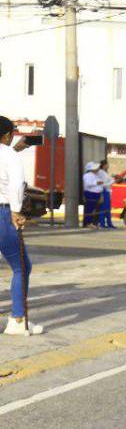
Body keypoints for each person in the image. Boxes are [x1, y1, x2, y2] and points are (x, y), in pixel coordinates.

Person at [0, 117, 44, 335]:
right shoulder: (9, 155)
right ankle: (17, 320)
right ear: (8, 135)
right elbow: (16, 184)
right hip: (3, 213)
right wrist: (17, 211)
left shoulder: (9, 152)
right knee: (21, 266)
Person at [82, 161, 102, 228]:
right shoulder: (87, 175)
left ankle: (93, 222)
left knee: (94, 209)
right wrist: (97, 183)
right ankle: (88, 223)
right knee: (89, 209)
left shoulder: (96, 175)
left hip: (96, 194)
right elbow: (87, 184)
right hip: (90, 193)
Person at [96, 160, 115, 228]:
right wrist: (112, 182)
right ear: (104, 165)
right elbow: (103, 184)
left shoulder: (104, 172)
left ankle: (108, 223)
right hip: (103, 191)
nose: (108, 166)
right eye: (107, 164)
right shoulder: (100, 172)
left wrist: (113, 180)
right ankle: (102, 223)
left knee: (107, 208)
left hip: (107, 191)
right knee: (104, 208)